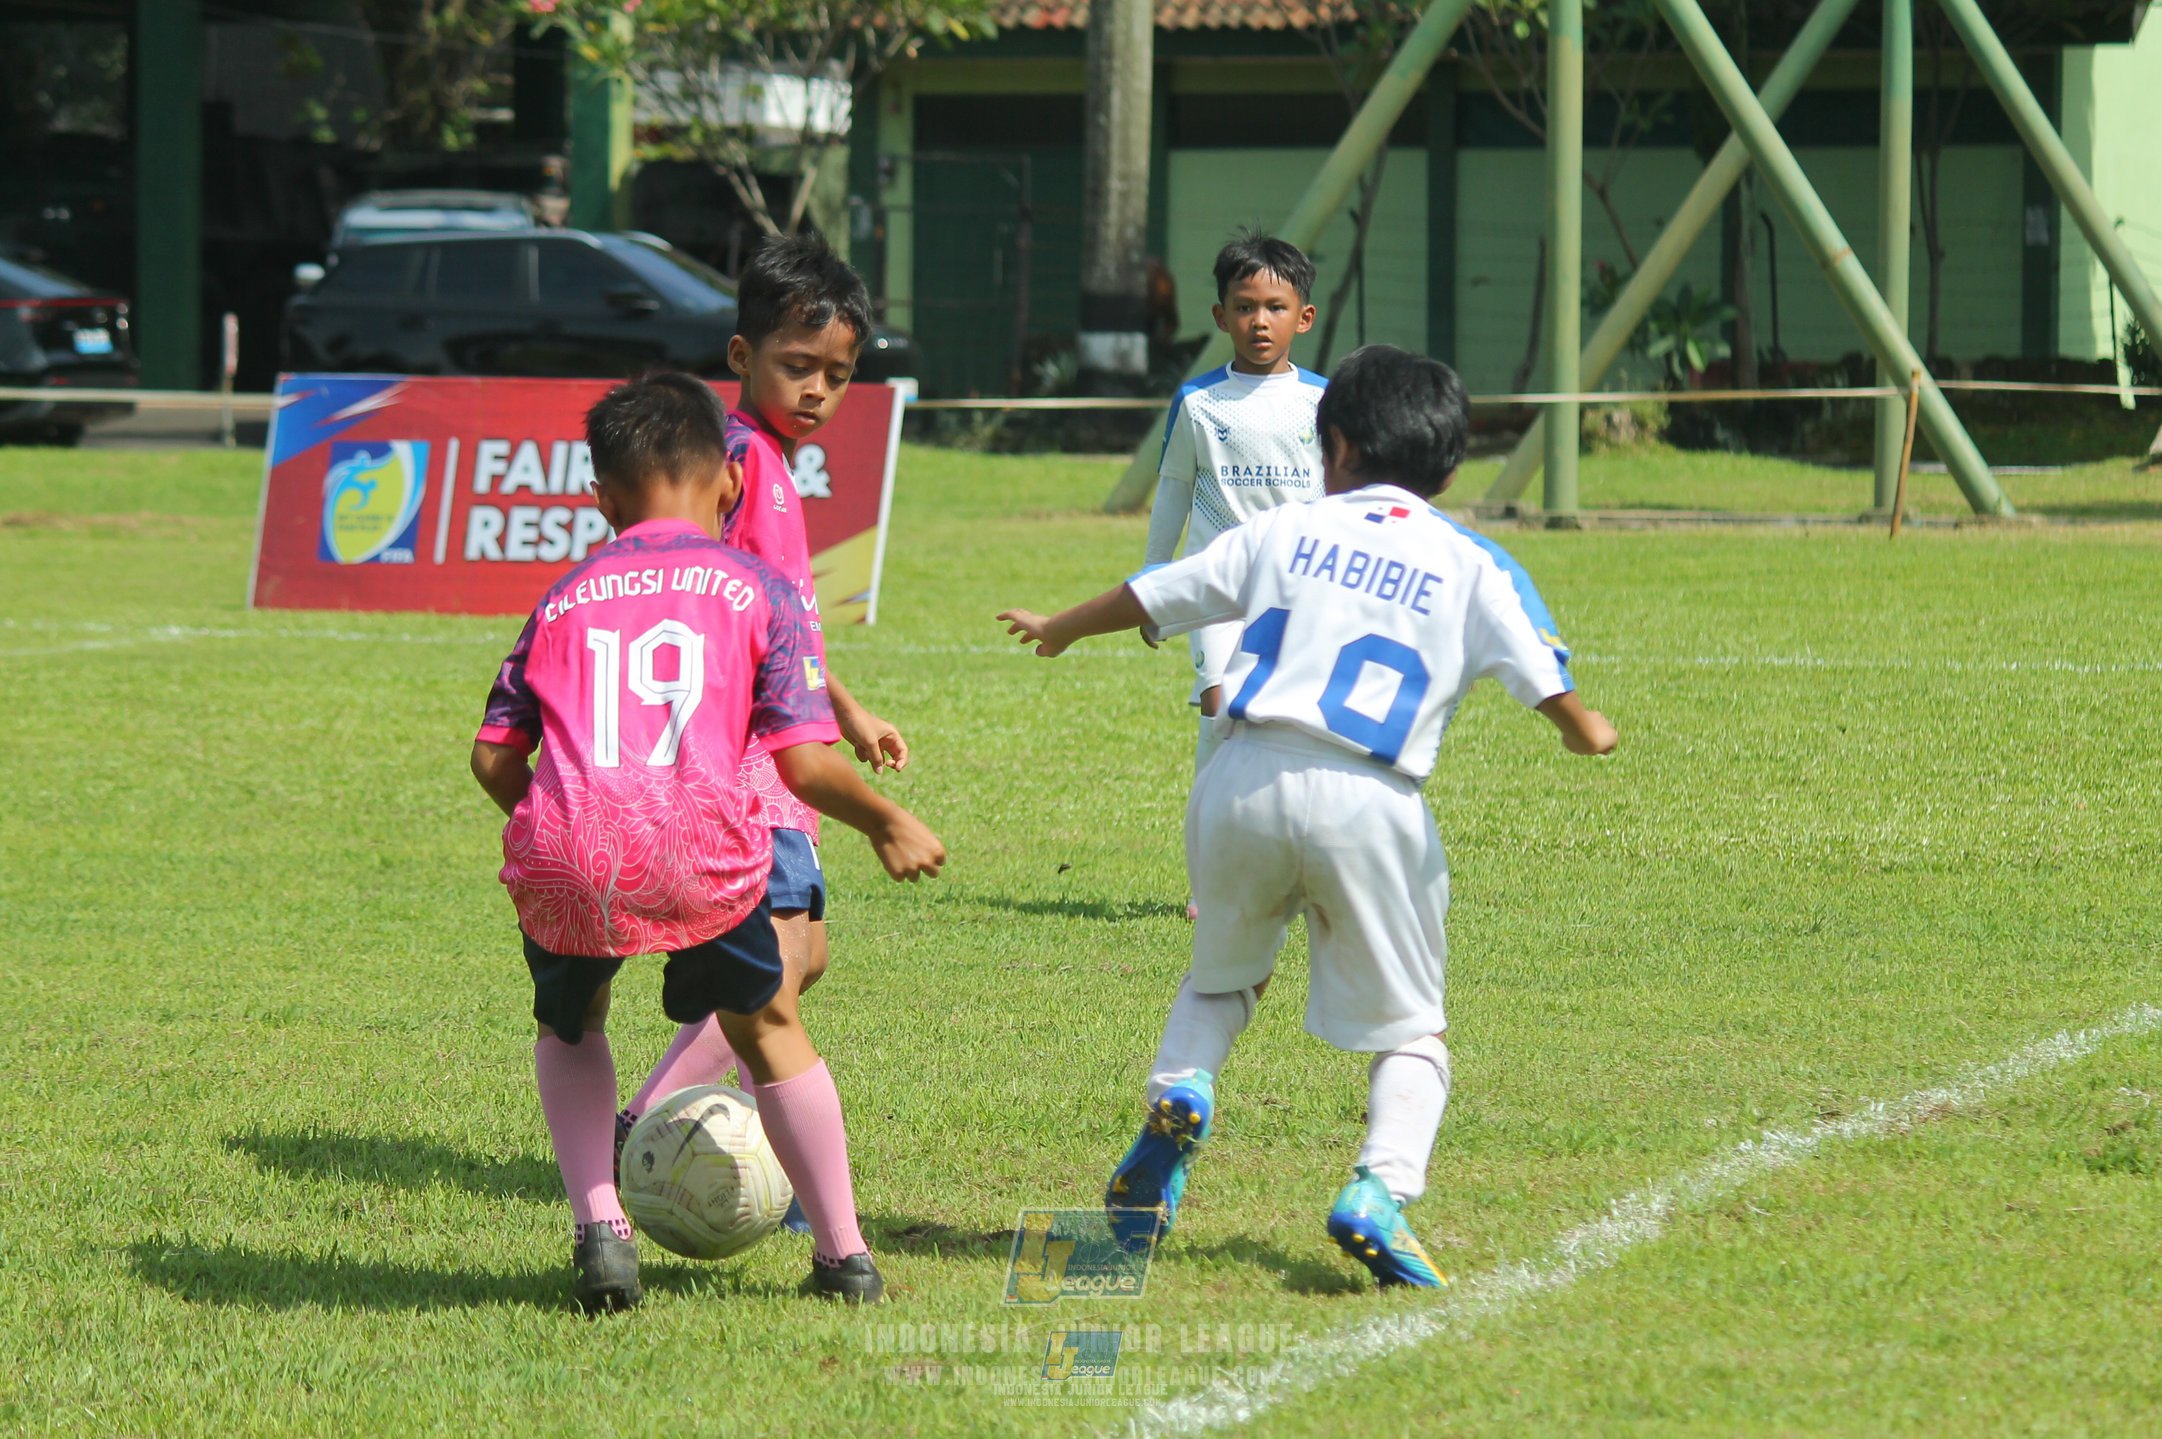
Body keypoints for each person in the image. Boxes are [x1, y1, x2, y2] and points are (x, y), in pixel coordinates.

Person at [998, 346, 1617, 1290]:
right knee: (1412, 1028)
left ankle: (1184, 1093)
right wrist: (1589, 730)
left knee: (1221, 981)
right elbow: (1569, 711)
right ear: (1451, 471)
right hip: (1372, 801)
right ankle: (1379, 1188)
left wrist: (1059, 628)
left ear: (1333, 446)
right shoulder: (1471, 562)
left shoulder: (1285, 529)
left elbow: (1153, 593)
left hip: (1242, 776)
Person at [471, 373, 943, 1313]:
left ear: (601, 497)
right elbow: (803, 767)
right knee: (769, 1026)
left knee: (571, 1025)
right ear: (730, 484)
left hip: (570, 852)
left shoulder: (563, 597)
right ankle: (844, 1257)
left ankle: (601, 1232)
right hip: (705, 849)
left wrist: (553, 816)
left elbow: (491, 758)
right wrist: (888, 819)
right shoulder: (755, 590)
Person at [615, 236, 908, 1238]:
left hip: (783, 744)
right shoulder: (736, 462)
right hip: (749, 763)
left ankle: (662, 1120)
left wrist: (844, 704)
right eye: (799, 365)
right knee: (773, 969)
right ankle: (655, 1130)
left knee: (803, 952)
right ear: (741, 355)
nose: (820, 388)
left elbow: (779, 621)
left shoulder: (770, 461)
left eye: (839, 373)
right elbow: (711, 606)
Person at [1144, 232, 1327, 785]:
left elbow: (1343, 493)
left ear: (1304, 317)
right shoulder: (1197, 402)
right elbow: (1175, 487)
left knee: (1295, 717)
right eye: (1245, 308)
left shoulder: (1325, 400)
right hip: (1216, 584)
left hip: (1301, 583)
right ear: (1222, 317)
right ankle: (1213, 829)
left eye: (1276, 307)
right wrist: (1155, 577)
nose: (1260, 321)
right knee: (1220, 707)